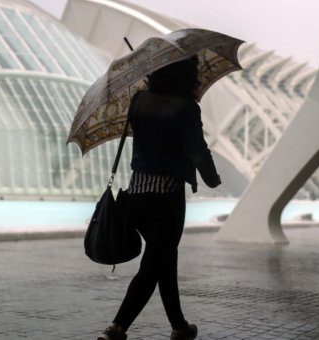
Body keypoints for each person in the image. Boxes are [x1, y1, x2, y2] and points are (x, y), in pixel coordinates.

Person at [98, 55, 221, 340]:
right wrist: (212, 178)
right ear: (187, 76)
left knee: (164, 259)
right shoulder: (187, 107)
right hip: (167, 197)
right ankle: (116, 328)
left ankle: (179, 327)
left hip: (137, 195)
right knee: (152, 267)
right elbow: (196, 149)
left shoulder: (139, 100)